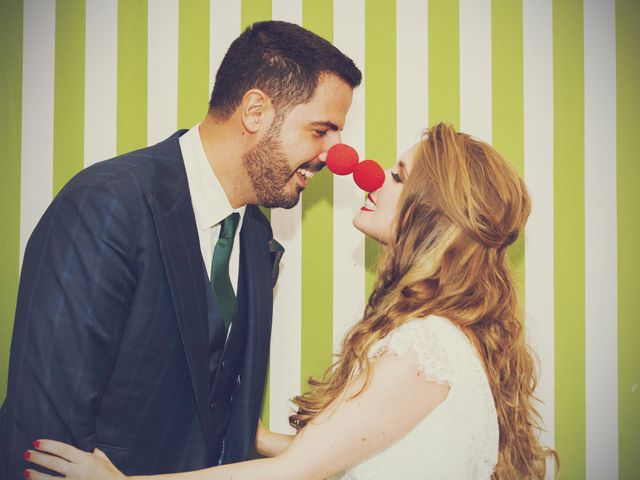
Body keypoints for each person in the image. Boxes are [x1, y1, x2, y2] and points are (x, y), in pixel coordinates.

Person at [24, 123, 558, 479]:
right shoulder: (442, 332)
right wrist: (248, 434)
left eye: (398, 176)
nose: (371, 176)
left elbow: (296, 471)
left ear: (435, 212)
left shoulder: (426, 344)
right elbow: (356, 449)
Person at [0, 20, 362, 479]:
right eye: (321, 130)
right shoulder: (107, 204)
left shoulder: (254, 234)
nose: (335, 155)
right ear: (255, 111)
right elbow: (47, 435)